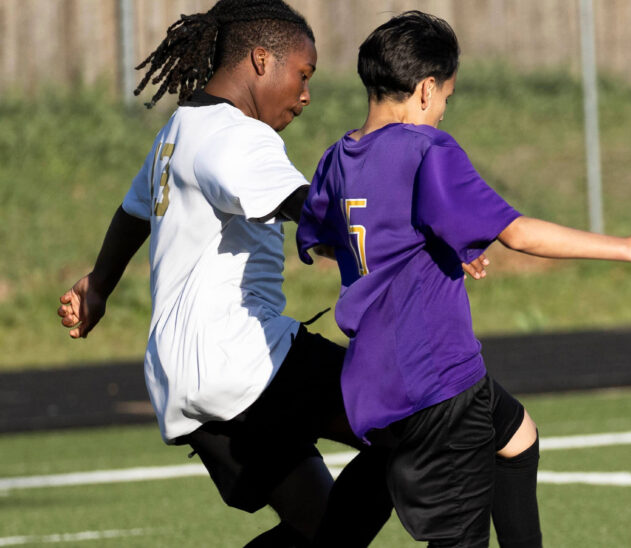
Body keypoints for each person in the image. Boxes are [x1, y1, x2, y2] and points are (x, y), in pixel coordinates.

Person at [296, 10, 631, 548]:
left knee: (518, 436)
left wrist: (433, 245)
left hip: (375, 378)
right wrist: (630, 248)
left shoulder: (337, 158)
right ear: (427, 89)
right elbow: (518, 233)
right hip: (438, 380)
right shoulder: (427, 150)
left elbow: (330, 242)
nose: (442, 111)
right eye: (446, 98)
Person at [54, 1, 413, 546]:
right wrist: (407, 242)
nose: (306, 95)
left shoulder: (181, 127)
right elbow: (310, 209)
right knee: (415, 423)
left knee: (321, 529)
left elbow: (134, 212)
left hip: (182, 378)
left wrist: (99, 284)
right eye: (303, 75)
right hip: (241, 360)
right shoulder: (236, 135)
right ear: (261, 60)